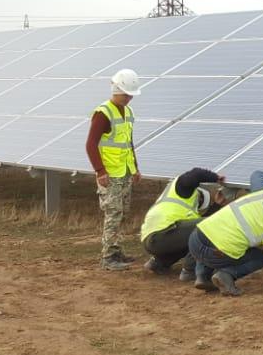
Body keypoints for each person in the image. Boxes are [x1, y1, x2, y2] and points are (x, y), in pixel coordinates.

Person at [85, 68, 142, 271]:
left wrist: (135, 168)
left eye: (131, 95)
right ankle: (107, 257)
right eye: (126, 94)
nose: (128, 99)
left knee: (122, 213)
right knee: (113, 213)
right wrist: (100, 171)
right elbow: (91, 144)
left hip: (124, 171)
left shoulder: (128, 112)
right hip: (110, 175)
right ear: (116, 89)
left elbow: (128, 142)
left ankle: (117, 251)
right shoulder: (103, 113)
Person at [141, 167, 226, 281]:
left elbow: (200, 223)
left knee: (195, 236)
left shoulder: (175, 202)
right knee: (205, 230)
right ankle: (189, 270)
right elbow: (196, 173)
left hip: (151, 239)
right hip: (162, 234)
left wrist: (216, 205)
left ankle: (158, 263)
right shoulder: (183, 189)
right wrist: (215, 178)